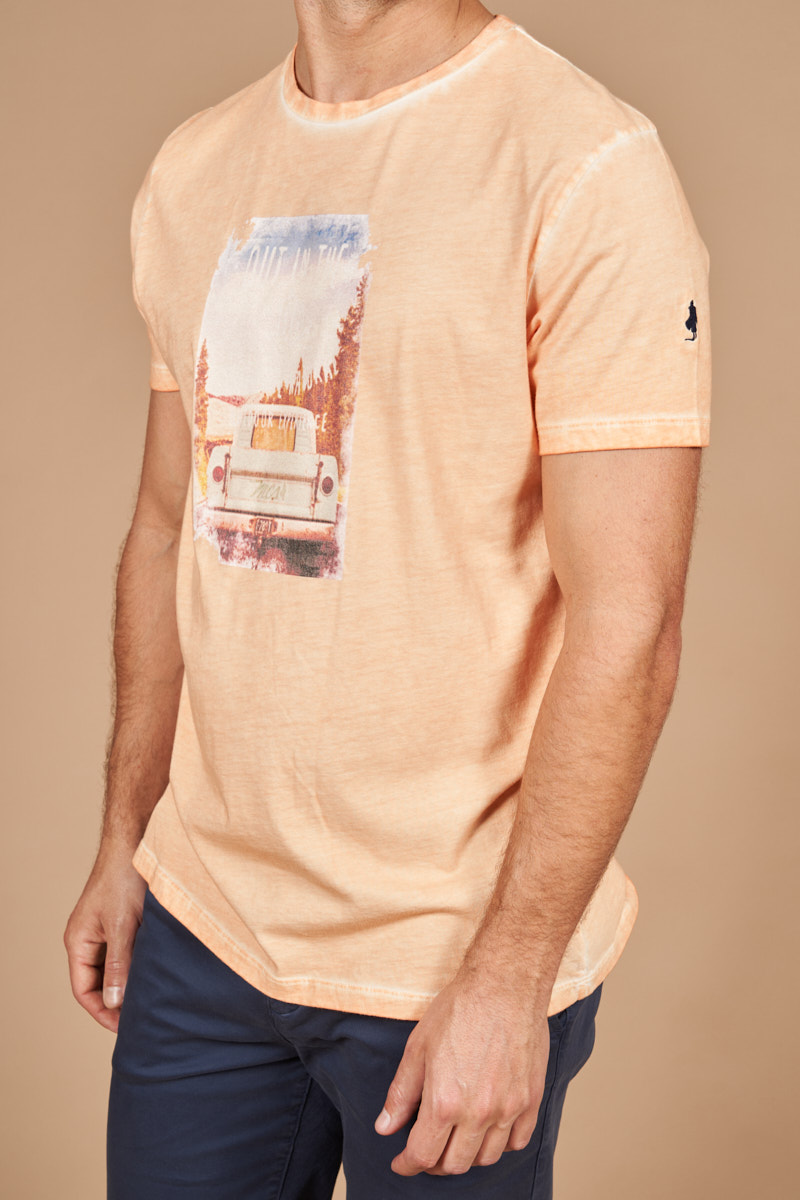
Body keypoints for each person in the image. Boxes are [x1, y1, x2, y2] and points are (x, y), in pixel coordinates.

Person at [63, 2, 712, 1196]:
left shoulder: (584, 165)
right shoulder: (194, 169)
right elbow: (164, 529)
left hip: (446, 954)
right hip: (205, 931)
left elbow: (629, 620)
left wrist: (508, 978)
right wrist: (125, 839)